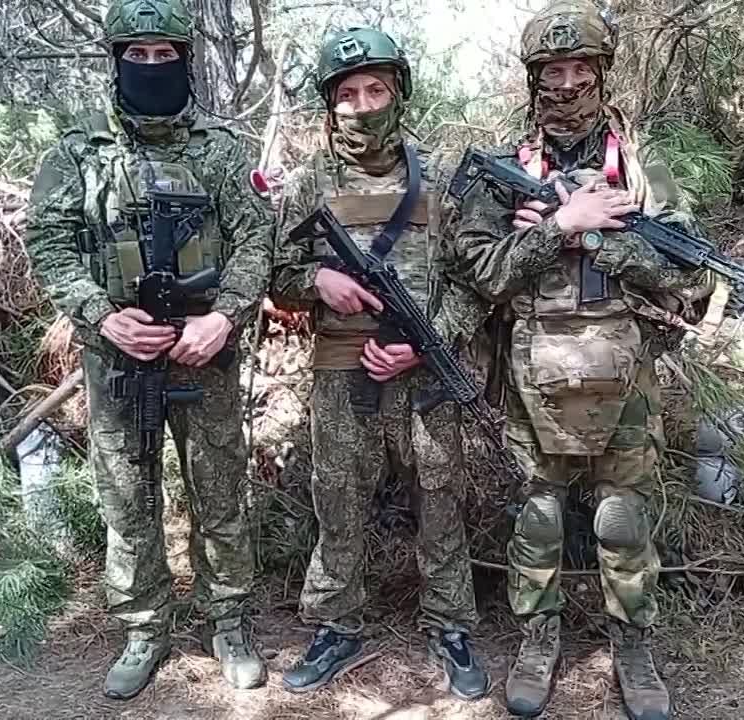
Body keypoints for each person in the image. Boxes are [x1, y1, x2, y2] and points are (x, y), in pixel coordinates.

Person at [446, 2, 713, 718]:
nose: (566, 85)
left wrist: (605, 237)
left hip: (624, 372)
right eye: (552, 72)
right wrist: (559, 226)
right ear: (533, 79)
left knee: (622, 521)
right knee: (537, 518)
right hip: (531, 369)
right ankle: (539, 642)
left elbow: (693, 273)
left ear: (601, 73)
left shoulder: (642, 168)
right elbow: (479, 271)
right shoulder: (503, 172)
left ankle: (634, 648)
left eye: (580, 70)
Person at [23, 0, 271, 700]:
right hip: (116, 358)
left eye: (166, 54)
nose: (153, 65)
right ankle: (143, 628)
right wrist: (102, 317)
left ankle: (228, 622)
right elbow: (49, 243)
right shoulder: (79, 152)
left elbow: (257, 238)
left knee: (220, 489)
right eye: (139, 54)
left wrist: (223, 317)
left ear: (185, 60)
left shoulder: (221, 150)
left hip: (205, 352)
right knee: (126, 495)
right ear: (117, 60)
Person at [268, 26, 490, 700]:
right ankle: (336, 625)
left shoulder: (440, 178)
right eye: (348, 94)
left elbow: (473, 282)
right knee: (338, 498)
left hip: (424, 371)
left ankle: (450, 625)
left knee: (441, 498)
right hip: (341, 371)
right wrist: (318, 282)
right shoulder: (308, 182)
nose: (363, 105)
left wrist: (428, 341)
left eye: (376, 90)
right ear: (330, 104)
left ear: (398, 93)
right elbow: (276, 273)